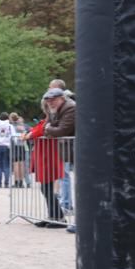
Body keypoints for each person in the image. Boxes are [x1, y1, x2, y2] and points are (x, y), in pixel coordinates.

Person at [41, 87, 76, 232]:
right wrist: (50, 129)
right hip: (67, 150)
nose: (51, 103)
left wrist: (49, 129)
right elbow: (46, 127)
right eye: (48, 100)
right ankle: (57, 216)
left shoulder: (70, 108)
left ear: (62, 98)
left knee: (78, 185)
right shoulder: (54, 109)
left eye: (54, 100)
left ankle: (73, 219)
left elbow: (61, 130)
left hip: (78, 150)